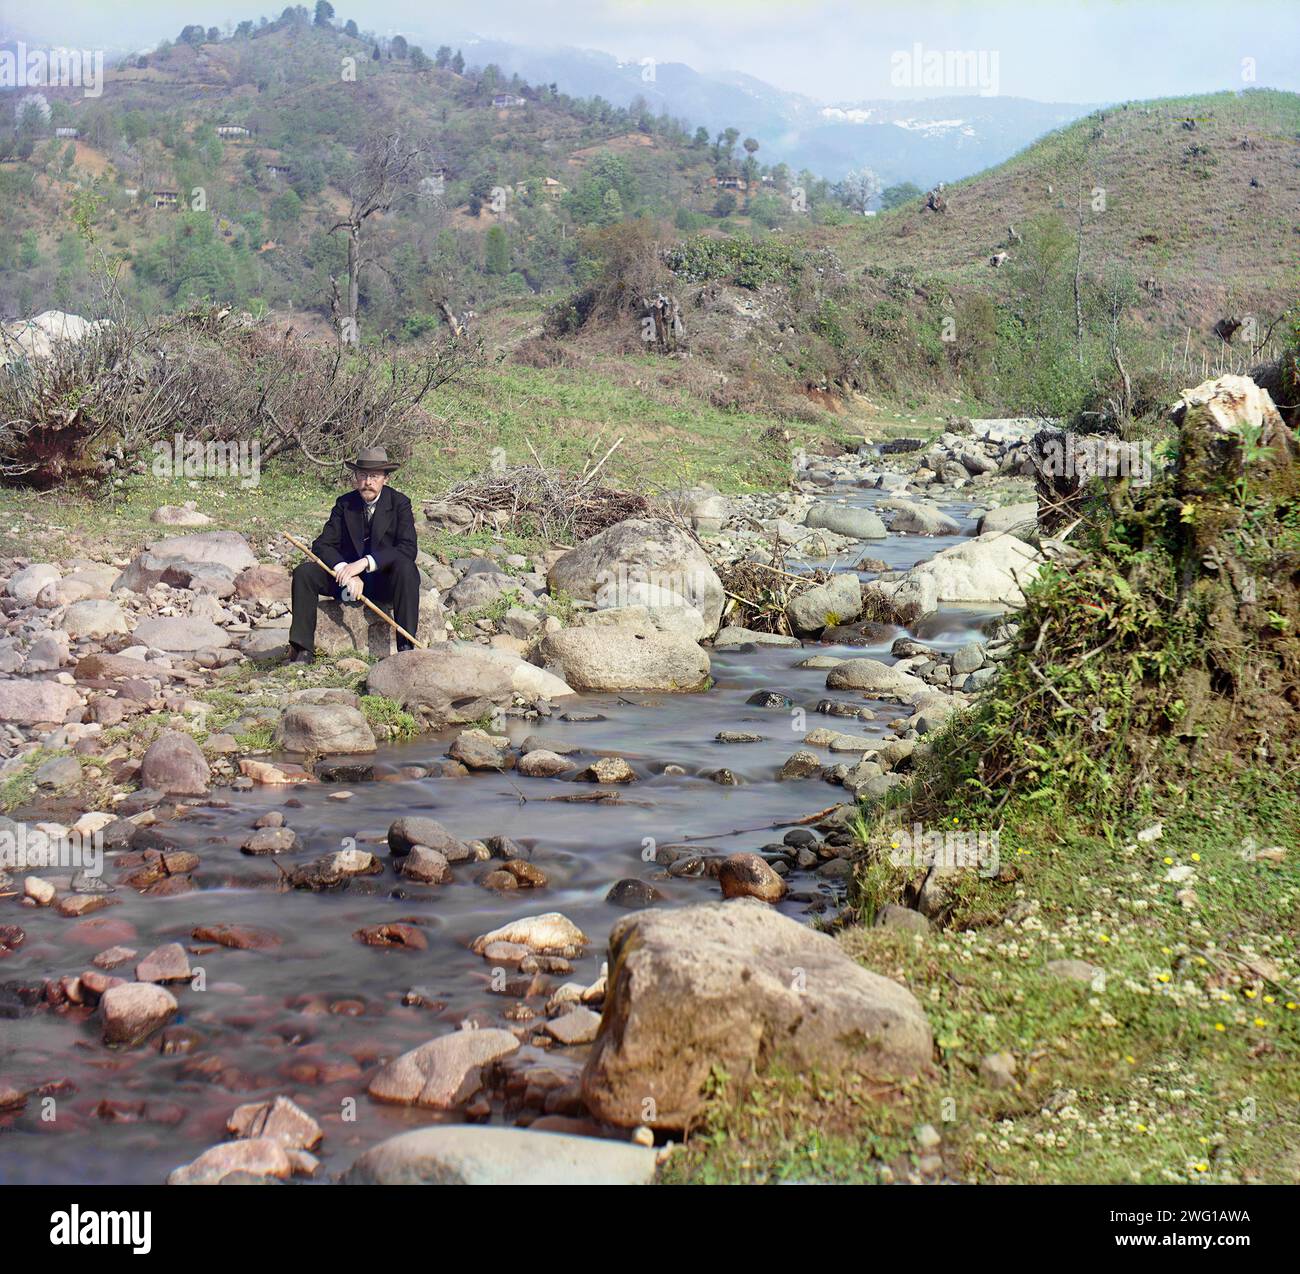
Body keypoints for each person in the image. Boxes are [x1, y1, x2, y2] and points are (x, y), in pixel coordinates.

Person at [288, 446, 419, 664]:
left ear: (385, 479)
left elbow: (408, 548)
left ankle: (405, 648)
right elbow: (321, 544)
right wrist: (344, 570)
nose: (368, 481)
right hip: (346, 584)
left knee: (407, 569)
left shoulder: (400, 504)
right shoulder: (344, 503)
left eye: (374, 476)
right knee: (305, 573)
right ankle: (302, 651)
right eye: (362, 475)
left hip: (383, 583)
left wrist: (365, 563)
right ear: (356, 477)